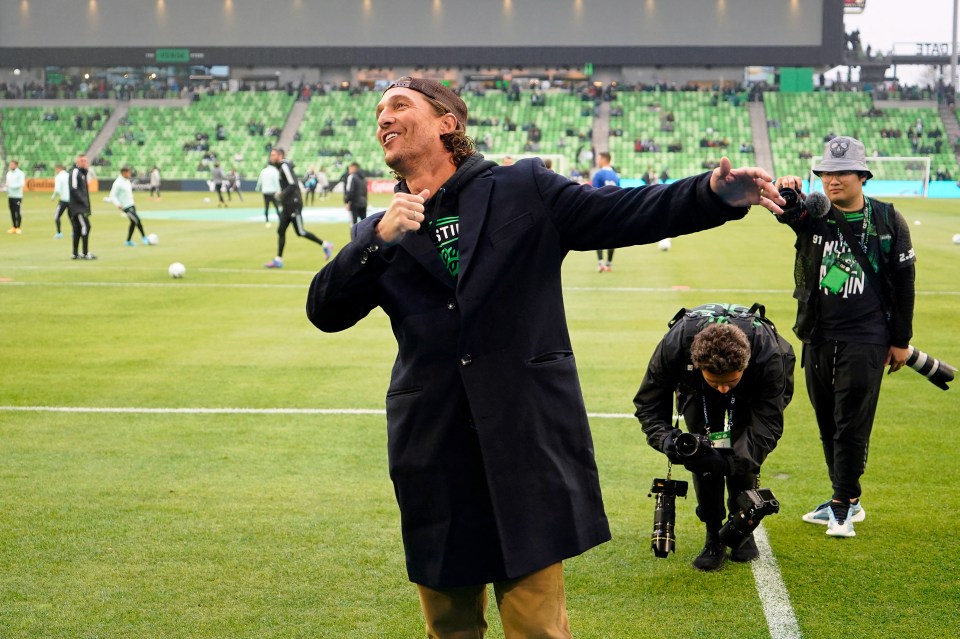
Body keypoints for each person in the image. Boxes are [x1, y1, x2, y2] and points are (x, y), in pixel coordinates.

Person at [305, 77, 785, 637]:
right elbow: (325, 310)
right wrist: (375, 241)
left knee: (537, 626)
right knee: (448, 626)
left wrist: (709, 194)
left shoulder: (521, 187)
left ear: (447, 123)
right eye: (379, 110)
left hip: (524, 438)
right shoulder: (380, 231)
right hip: (434, 447)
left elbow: (623, 212)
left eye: (399, 104)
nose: (384, 117)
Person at [774, 136, 916, 538]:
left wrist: (901, 340)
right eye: (826, 174)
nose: (832, 181)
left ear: (862, 176)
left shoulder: (889, 221)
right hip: (817, 333)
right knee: (826, 420)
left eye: (842, 173)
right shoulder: (815, 213)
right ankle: (847, 500)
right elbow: (788, 213)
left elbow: (905, 284)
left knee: (852, 421)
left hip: (868, 336)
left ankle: (842, 502)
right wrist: (788, 191)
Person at [634, 304, 795, 571]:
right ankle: (713, 534)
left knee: (745, 450)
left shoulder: (769, 354)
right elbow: (648, 405)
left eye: (730, 382)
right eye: (715, 382)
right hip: (696, 391)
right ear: (698, 366)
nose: (722, 389)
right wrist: (668, 441)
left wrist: (732, 463)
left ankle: (742, 523)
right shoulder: (675, 344)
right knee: (701, 453)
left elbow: (766, 424)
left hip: (752, 390)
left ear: (745, 364)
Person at [263, 148, 333, 269]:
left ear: (280, 155)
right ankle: (278, 260)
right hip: (286, 205)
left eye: (273, 155)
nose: (271, 157)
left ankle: (325, 245)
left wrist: (282, 194)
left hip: (293, 205)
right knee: (281, 231)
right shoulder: (281, 166)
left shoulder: (284, 166)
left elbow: (293, 184)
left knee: (300, 232)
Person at [591, 151, 620, 272]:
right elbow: (619, 192)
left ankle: (601, 263)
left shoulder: (599, 174)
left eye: (598, 159)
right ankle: (609, 264)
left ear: (604, 159)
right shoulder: (615, 175)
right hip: (614, 209)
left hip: (601, 209)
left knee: (598, 236)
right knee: (612, 237)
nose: (597, 161)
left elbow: (594, 193)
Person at [109, 166, 149, 246]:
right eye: (129, 172)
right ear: (124, 173)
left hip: (131, 205)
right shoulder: (117, 183)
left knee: (133, 222)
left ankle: (128, 241)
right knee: (137, 220)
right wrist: (118, 204)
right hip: (125, 207)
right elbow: (112, 195)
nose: (130, 174)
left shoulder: (126, 181)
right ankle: (144, 237)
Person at [67, 154, 95, 260]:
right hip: (77, 207)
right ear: (77, 162)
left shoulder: (82, 173)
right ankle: (85, 252)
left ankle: (75, 253)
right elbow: (73, 188)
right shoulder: (75, 172)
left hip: (81, 206)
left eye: (85, 161)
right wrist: (83, 202)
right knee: (86, 226)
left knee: (78, 228)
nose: (84, 163)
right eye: (82, 161)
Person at [255, 161, 281, 227]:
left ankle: (267, 221)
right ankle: (281, 220)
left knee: (266, 207)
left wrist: (257, 188)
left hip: (265, 192)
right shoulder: (275, 171)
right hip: (273, 192)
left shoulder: (263, 171)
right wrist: (279, 190)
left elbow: (259, 181)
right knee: (277, 207)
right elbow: (277, 182)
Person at [5, 159, 25, 234]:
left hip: (18, 196)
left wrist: (11, 186)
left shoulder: (20, 173)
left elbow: (21, 184)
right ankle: (14, 227)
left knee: (18, 212)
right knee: (12, 212)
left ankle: (18, 227)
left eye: (12, 164)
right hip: (10, 196)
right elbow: (7, 184)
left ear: (16, 165)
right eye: (10, 164)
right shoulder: (9, 173)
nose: (11, 166)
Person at [52, 163, 70, 238]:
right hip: (71, 199)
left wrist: (53, 196)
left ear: (58, 169)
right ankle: (74, 232)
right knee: (72, 217)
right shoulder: (69, 175)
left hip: (63, 200)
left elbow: (57, 189)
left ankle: (59, 233)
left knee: (57, 216)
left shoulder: (58, 177)